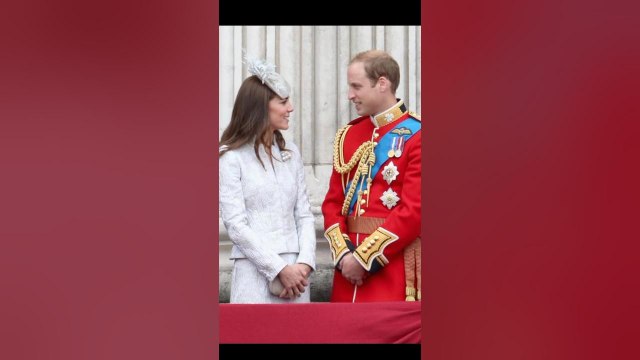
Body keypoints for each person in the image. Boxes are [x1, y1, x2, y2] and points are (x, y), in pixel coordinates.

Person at [322, 49, 422, 302]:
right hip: (346, 270)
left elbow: (414, 211)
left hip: (389, 267)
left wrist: (364, 258)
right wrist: (344, 255)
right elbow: (333, 203)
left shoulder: (418, 135)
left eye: (356, 86)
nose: (350, 95)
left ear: (382, 83)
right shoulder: (349, 135)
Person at [219, 55, 315, 303]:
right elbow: (236, 226)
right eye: (283, 102)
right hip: (253, 273)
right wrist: (279, 269)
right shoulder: (231, 158)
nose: (290, 108)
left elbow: (304, 215)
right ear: (261, 107)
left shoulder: (291, 153)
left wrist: (304, 263)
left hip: (298, 278)